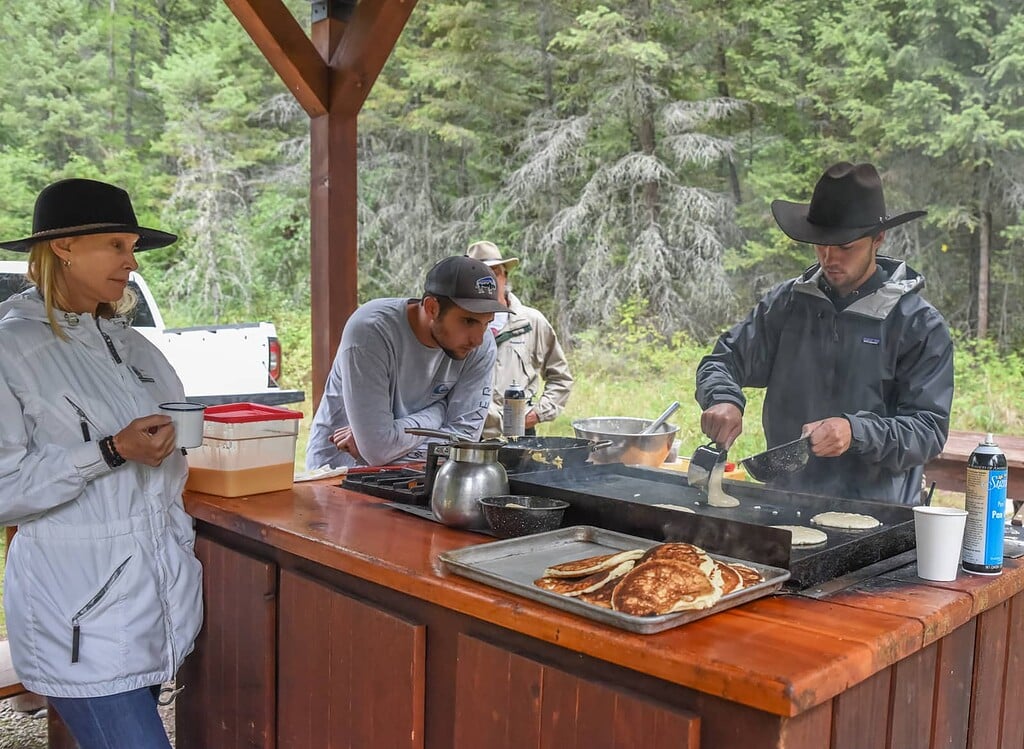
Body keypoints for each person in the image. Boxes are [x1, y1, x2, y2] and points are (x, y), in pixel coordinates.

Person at [0, 178, 203, 748]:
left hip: (154, 603)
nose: (132, 262)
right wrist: (110, 451)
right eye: (116, 244)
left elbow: (163, 456)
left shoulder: (134, 347)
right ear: (63, 246)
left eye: (132, 246)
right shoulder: (11, 350)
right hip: (79, 616)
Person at [695, 162, 954, 505]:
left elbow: (927, 430)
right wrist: (722, 398)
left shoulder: (919, 325)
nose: (829, 257)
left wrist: (855, 432)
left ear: (878, 238)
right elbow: (722, 361)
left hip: (881, 512)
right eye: (820, 244)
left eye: (845, 246)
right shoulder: (787, 305)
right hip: (784, 504)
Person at [305, 255, 507, 470]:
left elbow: (464, 444)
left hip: (422, 476)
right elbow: (377, 451)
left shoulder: (482, 345)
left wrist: (384, 445)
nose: (477, 339)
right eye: (468, 321)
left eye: (487, 323)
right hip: (338, 472)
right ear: (431, 308)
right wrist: (439, 411)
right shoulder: (371, 332)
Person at [466, 241, 574, 439]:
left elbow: (561, 377)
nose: (488, 281)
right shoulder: (458, 324)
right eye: (480, 274)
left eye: (494, 272)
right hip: (469, 436)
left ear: (505, 276)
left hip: (519, 434)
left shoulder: (531, 322)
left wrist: (538, 413)